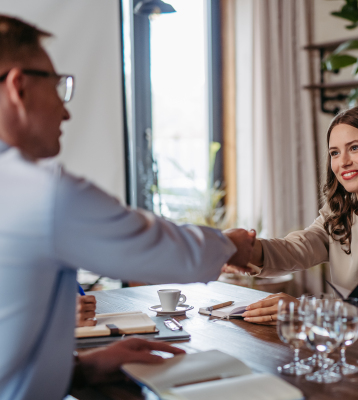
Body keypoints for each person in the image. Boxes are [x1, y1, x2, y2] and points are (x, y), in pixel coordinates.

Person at [0, 15, 256, 400]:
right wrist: (232, 245)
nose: (66, 112)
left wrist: (82, 368)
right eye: (58, 87)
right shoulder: (38, 193)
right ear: (19, 86)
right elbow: (170, 252)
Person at [225, 104, 358, 324]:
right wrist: (245, 250)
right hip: (345, 340)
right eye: (335, 153)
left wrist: (307, 308)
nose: (343, 161)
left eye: (355, 148)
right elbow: (296, 248)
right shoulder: (338, 213)